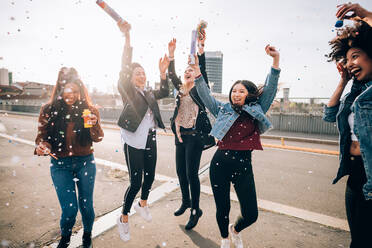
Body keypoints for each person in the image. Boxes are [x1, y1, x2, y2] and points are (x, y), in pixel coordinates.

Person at [193, 45, 280, 248]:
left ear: (249, 94)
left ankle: (235, 230)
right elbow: (205, 94)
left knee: (251, 213)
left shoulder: (258, 108)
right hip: (220, 163)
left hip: (243, 165)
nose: (236, 94)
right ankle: (224, 238)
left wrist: (275, 61)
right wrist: (197, 69)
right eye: (234, 90)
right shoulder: (222, 109)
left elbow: (271, 87)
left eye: (241, 91)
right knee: (221, 207)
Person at [35, 67, 104, 248]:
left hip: (85, 162)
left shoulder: (90, 110)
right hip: (60, 164)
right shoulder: (48, 110)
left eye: (75, 91)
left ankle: (87, 235)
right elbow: (43, 138)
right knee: (70, 209)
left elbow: (98, 138)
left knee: (87, 206)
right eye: (67, 91)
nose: (71, 95)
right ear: (60, 90)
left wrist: (94, 126)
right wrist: (43, 146)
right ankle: (65, 238)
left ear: (80, 91)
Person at [115, 20, 170, 242]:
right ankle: (124, 218)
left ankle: (142, 204)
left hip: (150, 137)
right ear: (130, 77)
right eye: (137, 73)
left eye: (143, 73)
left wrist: (162, 72)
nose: (141, 75)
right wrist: (127, 38)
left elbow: (165, 91)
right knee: (136, 182)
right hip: (132, 139)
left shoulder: (148, 93)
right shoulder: (127, 89)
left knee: (151, 177)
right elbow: (125, 64)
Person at [324, 4, 372, 247]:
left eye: (356, 56)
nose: (350, 62)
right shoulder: (355, 93)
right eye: (347, 58)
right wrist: (342, 81)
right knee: (358, 240)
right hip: (355, 175)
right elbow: (329, 114)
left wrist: (364, 15)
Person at [167, 32, 215, 230]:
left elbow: (200, 70)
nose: (187, 72)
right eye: (185, 70)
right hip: (181, 136)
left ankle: (196, 210)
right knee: (180, 172)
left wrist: (200, 53)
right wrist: (171, 55)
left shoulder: (199, 90)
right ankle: (186, 201)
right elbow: (171, 75)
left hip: (195, 137)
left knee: (191, 174)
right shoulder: (181, 89)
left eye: (190, 71)